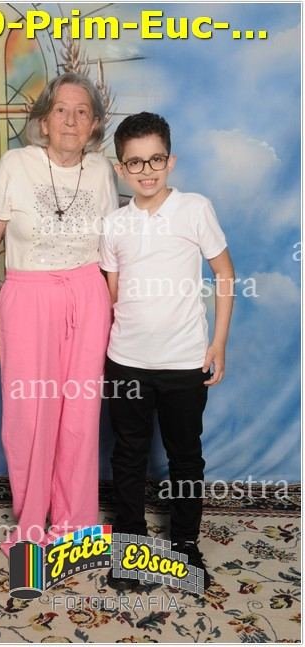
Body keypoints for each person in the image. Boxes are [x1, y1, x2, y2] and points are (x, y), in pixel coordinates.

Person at [0, 72, 118, 555]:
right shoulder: (15, 164)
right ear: (43, 121)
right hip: (28, 298)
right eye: (61, 110)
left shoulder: (101, 171)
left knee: (80, 415)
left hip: (88, 296)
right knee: (29, 415)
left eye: (82, 112)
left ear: (94, 124)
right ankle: (32, 524)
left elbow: (112, 251)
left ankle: (75, 526)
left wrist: (117, 314)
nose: (71, 120)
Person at [100, 112, 234, 591]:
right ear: (121, 169)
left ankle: (185, 545)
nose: (146, 170)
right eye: (135, 162)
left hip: (184, 361)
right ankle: (130, 547)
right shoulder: (114, 224)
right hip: (127, 362)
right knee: (128, 455)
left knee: (185, 456)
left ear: (170, 161)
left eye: (155, 159)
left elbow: (224, 274)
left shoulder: (195, 208)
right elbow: (113, 294)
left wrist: (218, 343)